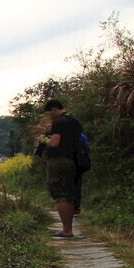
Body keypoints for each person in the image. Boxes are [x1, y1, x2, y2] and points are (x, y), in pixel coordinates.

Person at [38, 99, 83, 238]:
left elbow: (55, 143)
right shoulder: (74, 121)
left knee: (60, 194)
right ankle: (68, 228)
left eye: (48, 113)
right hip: (72, 160)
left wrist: (44, 140)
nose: (49, 117)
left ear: (53, 109)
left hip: (59, 161)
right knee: (69, 195)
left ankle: (66, 230)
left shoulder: (58, 122)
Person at [74, 132, 90, 216]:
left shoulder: (61, 133)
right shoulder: (81, 135)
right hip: (77, 164)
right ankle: (76, 208)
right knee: (77, 185)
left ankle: (65, 206)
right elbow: (87, 148)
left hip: (63, 163)